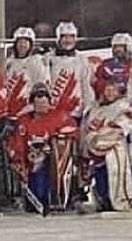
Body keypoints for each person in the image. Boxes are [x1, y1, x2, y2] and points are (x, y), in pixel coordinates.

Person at [9, 83, 79, 212]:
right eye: (38, 103)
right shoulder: (23, 121)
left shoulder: (60, 116)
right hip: (33, 163)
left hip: (56, 163)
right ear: (32, 104)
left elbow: (73, 133)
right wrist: (19, 162)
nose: (42, 106)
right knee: (38, 194)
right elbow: (18, 144)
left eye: (44, 102)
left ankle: (66, 196)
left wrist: (55, 142)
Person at [80, 80, 132, 212]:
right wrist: (92, 143)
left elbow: (123, 128)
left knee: (120, 176)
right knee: (102, 180)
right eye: (107, 89)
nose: (110, 92)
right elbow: (86, 131)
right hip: (98, 157)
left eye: (113, 89)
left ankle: (123, 201)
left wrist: (99, 139)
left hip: (118, 153)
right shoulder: (93, 109)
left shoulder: (125, 106)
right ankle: (104, 200)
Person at [46, 21, 95, 122]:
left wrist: (88, 108)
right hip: (53, 111)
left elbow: (86, 86)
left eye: (71, 37)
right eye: (64, 37)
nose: (68, 40)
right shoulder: (48, 58)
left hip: (75, 112)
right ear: (58, 39)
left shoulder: (82, 59)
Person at [2, 27, 49, 116]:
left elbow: (41, 86)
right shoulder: (9, 62)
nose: (22, 45)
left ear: (31, 44)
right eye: (20, 42)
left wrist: (33, 106)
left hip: (28, 110)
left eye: (26, 42)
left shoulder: (37, 61)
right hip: (11, 107)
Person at [92, 32, 132, 98]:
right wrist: (109, 87)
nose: (118, 50)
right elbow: (97, 83)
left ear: (128, 48)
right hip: (111, 101)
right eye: (116, 47)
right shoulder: (106, 65)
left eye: (121, 47)